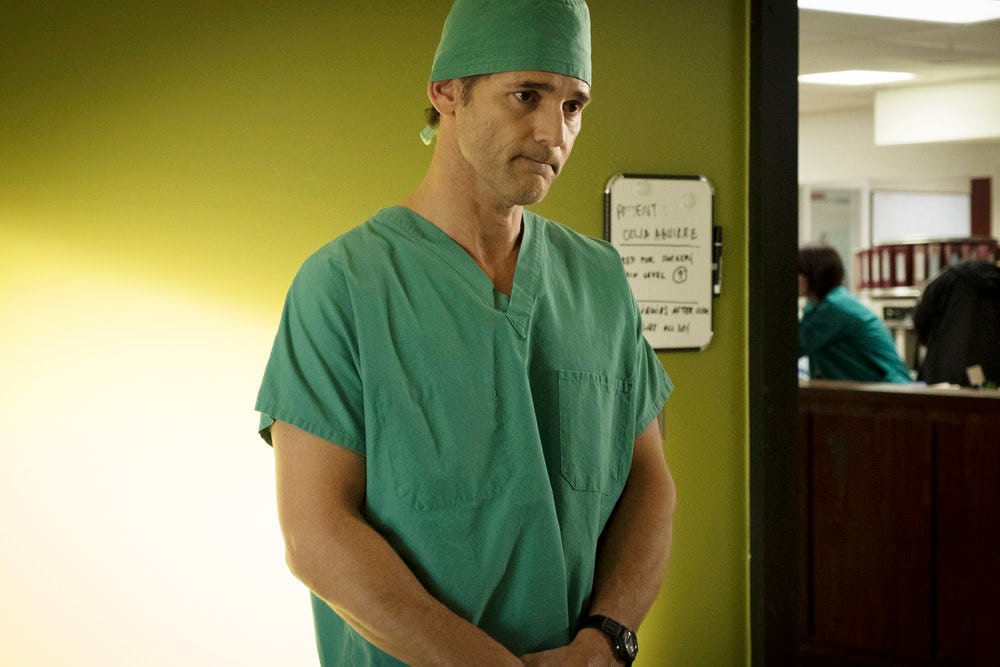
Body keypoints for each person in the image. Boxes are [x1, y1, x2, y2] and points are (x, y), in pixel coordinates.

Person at [254, 1, 677, 665]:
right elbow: (317, 534)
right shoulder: (343, 285)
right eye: (527, 95)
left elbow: (649, 484)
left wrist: (608, 639)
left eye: (573, 105)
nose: (554, 132)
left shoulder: (598, 280)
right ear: (447, 93)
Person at [798, 242, 911, 383]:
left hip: (887, 389)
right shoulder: (821, 304)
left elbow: (792, 347)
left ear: (812, 274)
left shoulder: (834, 307)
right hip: (870, 389)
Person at [913, 259, 1000, 387]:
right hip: (990, 374)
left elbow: (921, 320)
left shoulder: (947, 278)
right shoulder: (997, 283)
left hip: (943, 370)